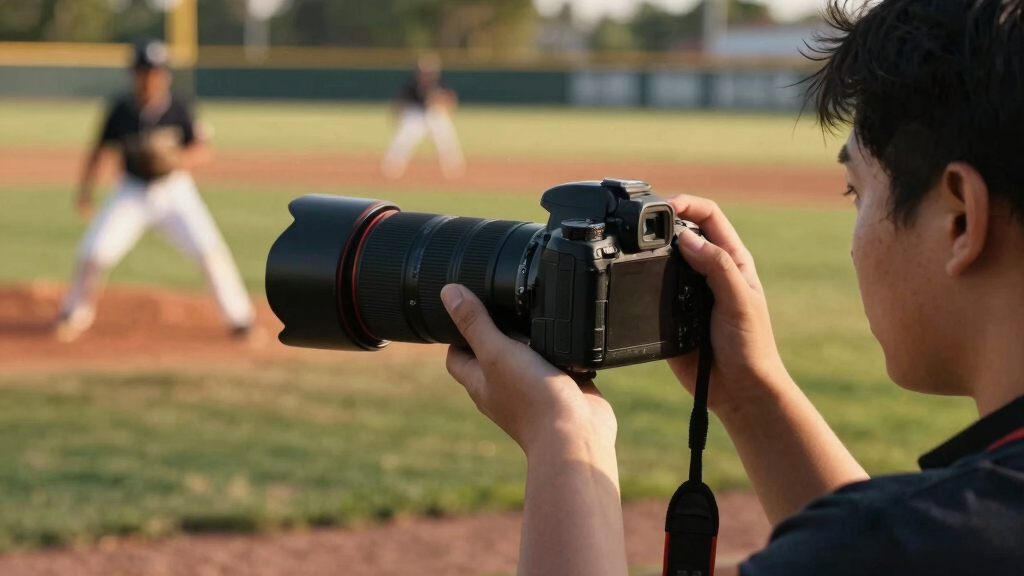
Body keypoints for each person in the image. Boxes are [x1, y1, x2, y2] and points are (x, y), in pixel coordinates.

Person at [435, 1, 1024, 574]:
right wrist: (748, 393)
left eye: (856, 190)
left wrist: (565, 440)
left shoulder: (920, 539)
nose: (854, 241)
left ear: (959, 221)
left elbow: (889, 548)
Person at [56, 40, 255, 342]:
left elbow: (202, 150)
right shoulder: (121, 110)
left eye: (155, 71)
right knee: (94, 253)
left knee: (209, 251)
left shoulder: (179, 108)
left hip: (174, 191)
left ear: (165, 74)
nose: (149, 77)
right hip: (131, 191)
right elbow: (98, 151)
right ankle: (73, 312)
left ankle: (239, 319)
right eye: (143, 71)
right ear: (133, 74)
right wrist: (85, 192)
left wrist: (177, 160)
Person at [380, 54, 466, 180]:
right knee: (403, 139)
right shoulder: (411, 85)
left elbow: (450, 99)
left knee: (446, 139)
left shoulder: (439, 83)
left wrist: (442, 105)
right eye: (423, 71)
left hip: (434, 115)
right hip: (416, 115)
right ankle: (392, 167)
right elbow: (400, 102)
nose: (426, 73)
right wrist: (397, 116)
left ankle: (454, 169)